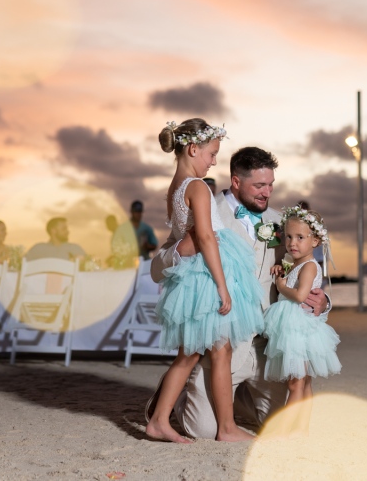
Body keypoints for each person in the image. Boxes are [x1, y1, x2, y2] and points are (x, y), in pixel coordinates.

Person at [148, 146, 330, 440]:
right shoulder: (206, 209)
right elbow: (157, 267)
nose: (266, 192)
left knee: (276, 425)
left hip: (268, 347)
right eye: (259, 185)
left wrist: (323, 302)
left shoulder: (282, 221)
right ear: (235, 181)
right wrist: (179, 252)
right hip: (224, 344)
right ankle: (179, 397)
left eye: (270, 185)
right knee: (202, 430)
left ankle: (239, 403)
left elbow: (305, 269)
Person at [146, 119, 264, 444]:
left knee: (199, 352)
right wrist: (223, 286)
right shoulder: (197, 187)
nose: (214, 161)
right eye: (211, 154)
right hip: (207, 275)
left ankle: (161, 420)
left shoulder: (175, 186)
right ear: (193, 149)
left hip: (193, 275)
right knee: (213, 351)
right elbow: (206, 238)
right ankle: (224, 428)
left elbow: (182, 237)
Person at [262, 206, 341, 433]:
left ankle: (284, 430)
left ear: (315, 241)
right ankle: (302, 429)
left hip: (298, 328)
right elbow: (287, 271)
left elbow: (299, 295)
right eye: (288, 236)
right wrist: (281, 269)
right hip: (294, 327)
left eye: (300, 237)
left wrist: (281, 285)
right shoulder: (294, 263)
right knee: (303, 382)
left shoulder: (309, 266)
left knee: (296, 382)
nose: (292, 243)